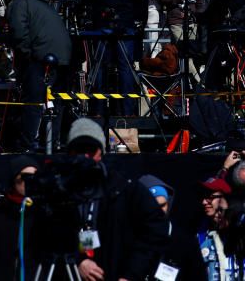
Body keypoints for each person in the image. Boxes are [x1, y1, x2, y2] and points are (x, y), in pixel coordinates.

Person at [28, 118, 168, 281]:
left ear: (100, 152)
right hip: (69, 273)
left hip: (115, 273)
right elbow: (45, 234)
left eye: (90, 150)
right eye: (79, 150)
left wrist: (131, 274)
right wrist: (78, 260)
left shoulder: (123, 188)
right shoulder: (59, 188)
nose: (85, 156)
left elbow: (155, 230)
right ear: (69, 153)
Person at [80, 0, 150, 115]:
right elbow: (142, 0)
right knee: (125, 68)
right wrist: (139, 23)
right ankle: (128, 110)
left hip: (101, 27)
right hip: (125, 27)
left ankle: (98, 109)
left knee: (99, 67)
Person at [6, 0, 72, 150]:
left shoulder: (18, 4)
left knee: (33, 100)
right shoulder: (42, 4)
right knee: (55, 99)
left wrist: (26, 55)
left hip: (41, 56)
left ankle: (27, 143)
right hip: (63, 55)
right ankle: (52, 141)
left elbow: (19, 33)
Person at [139, 174, 208, 280]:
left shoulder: (186, 242)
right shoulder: (130, 238)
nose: (159, 211)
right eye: (152, 206)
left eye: (162, 205)